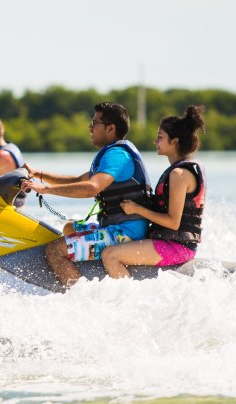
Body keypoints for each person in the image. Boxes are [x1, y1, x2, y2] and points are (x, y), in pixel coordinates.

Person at [20, 102, 151, 287]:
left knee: (54, 251)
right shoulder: (111, 154)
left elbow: (91, 188)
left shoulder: (117, 155)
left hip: (125, 234)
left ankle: (80, 295)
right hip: (119, 229)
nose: (90, 128)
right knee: (69, 228)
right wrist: (38, 175)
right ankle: (85, 273)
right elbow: (79, 179)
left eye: (95, 123)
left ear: (110, 128)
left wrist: (46, 190)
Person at [101, 105, 207, 278]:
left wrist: (138, 209)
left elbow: (173, 223)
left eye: (160, 137)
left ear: (174, 141)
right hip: (169, 242)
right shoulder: (179, 170)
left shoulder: (179, 174)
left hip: (178, 247)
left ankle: (126, 300)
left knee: (110, 255)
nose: (155, 142)